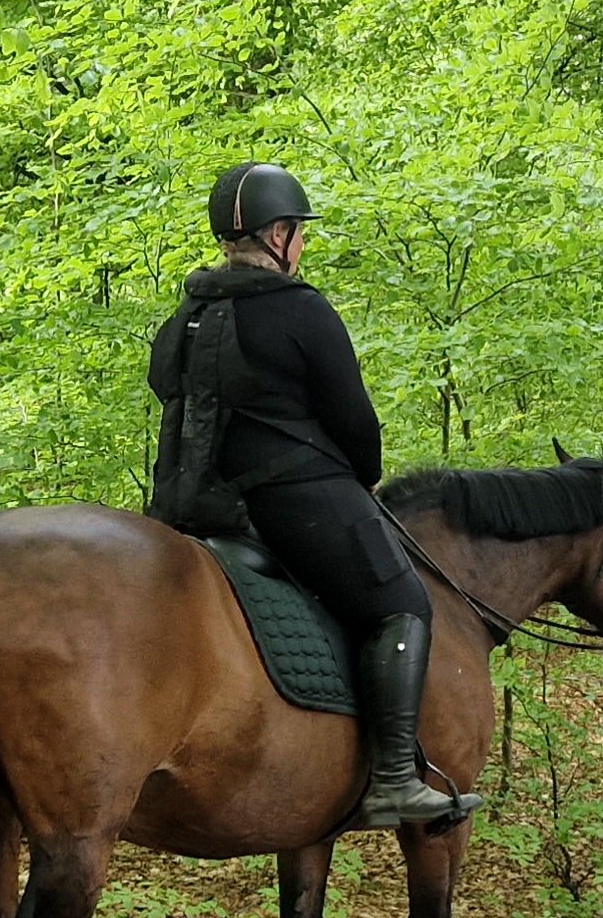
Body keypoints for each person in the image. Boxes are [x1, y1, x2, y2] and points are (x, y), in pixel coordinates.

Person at [148, 161, 480, 829]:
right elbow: (353, 419)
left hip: (189, 504)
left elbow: (166, 390)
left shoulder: (184, 316)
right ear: (277, 235)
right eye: (297, 232)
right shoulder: (301, 310)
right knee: (403, 603)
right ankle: (390, 781)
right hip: (287, 503)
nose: (301, 245)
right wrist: (363, 474)